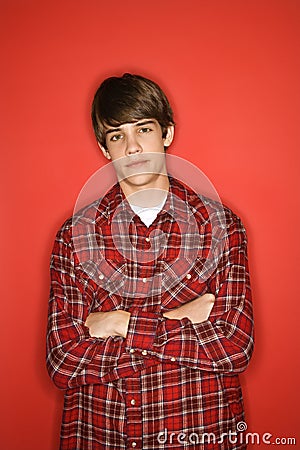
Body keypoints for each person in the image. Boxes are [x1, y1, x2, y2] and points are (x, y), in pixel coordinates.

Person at [46, 73, 254, 449]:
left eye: (143, 129)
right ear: (104, 148)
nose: (132, 147)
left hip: (199, 432)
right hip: (104, 435)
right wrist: (178, 318)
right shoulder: (74, 236)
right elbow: (63, 362)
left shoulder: (221, 227)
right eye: (116, 135)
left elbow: (235, 346)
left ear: (167, 133)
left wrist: (117, 323)